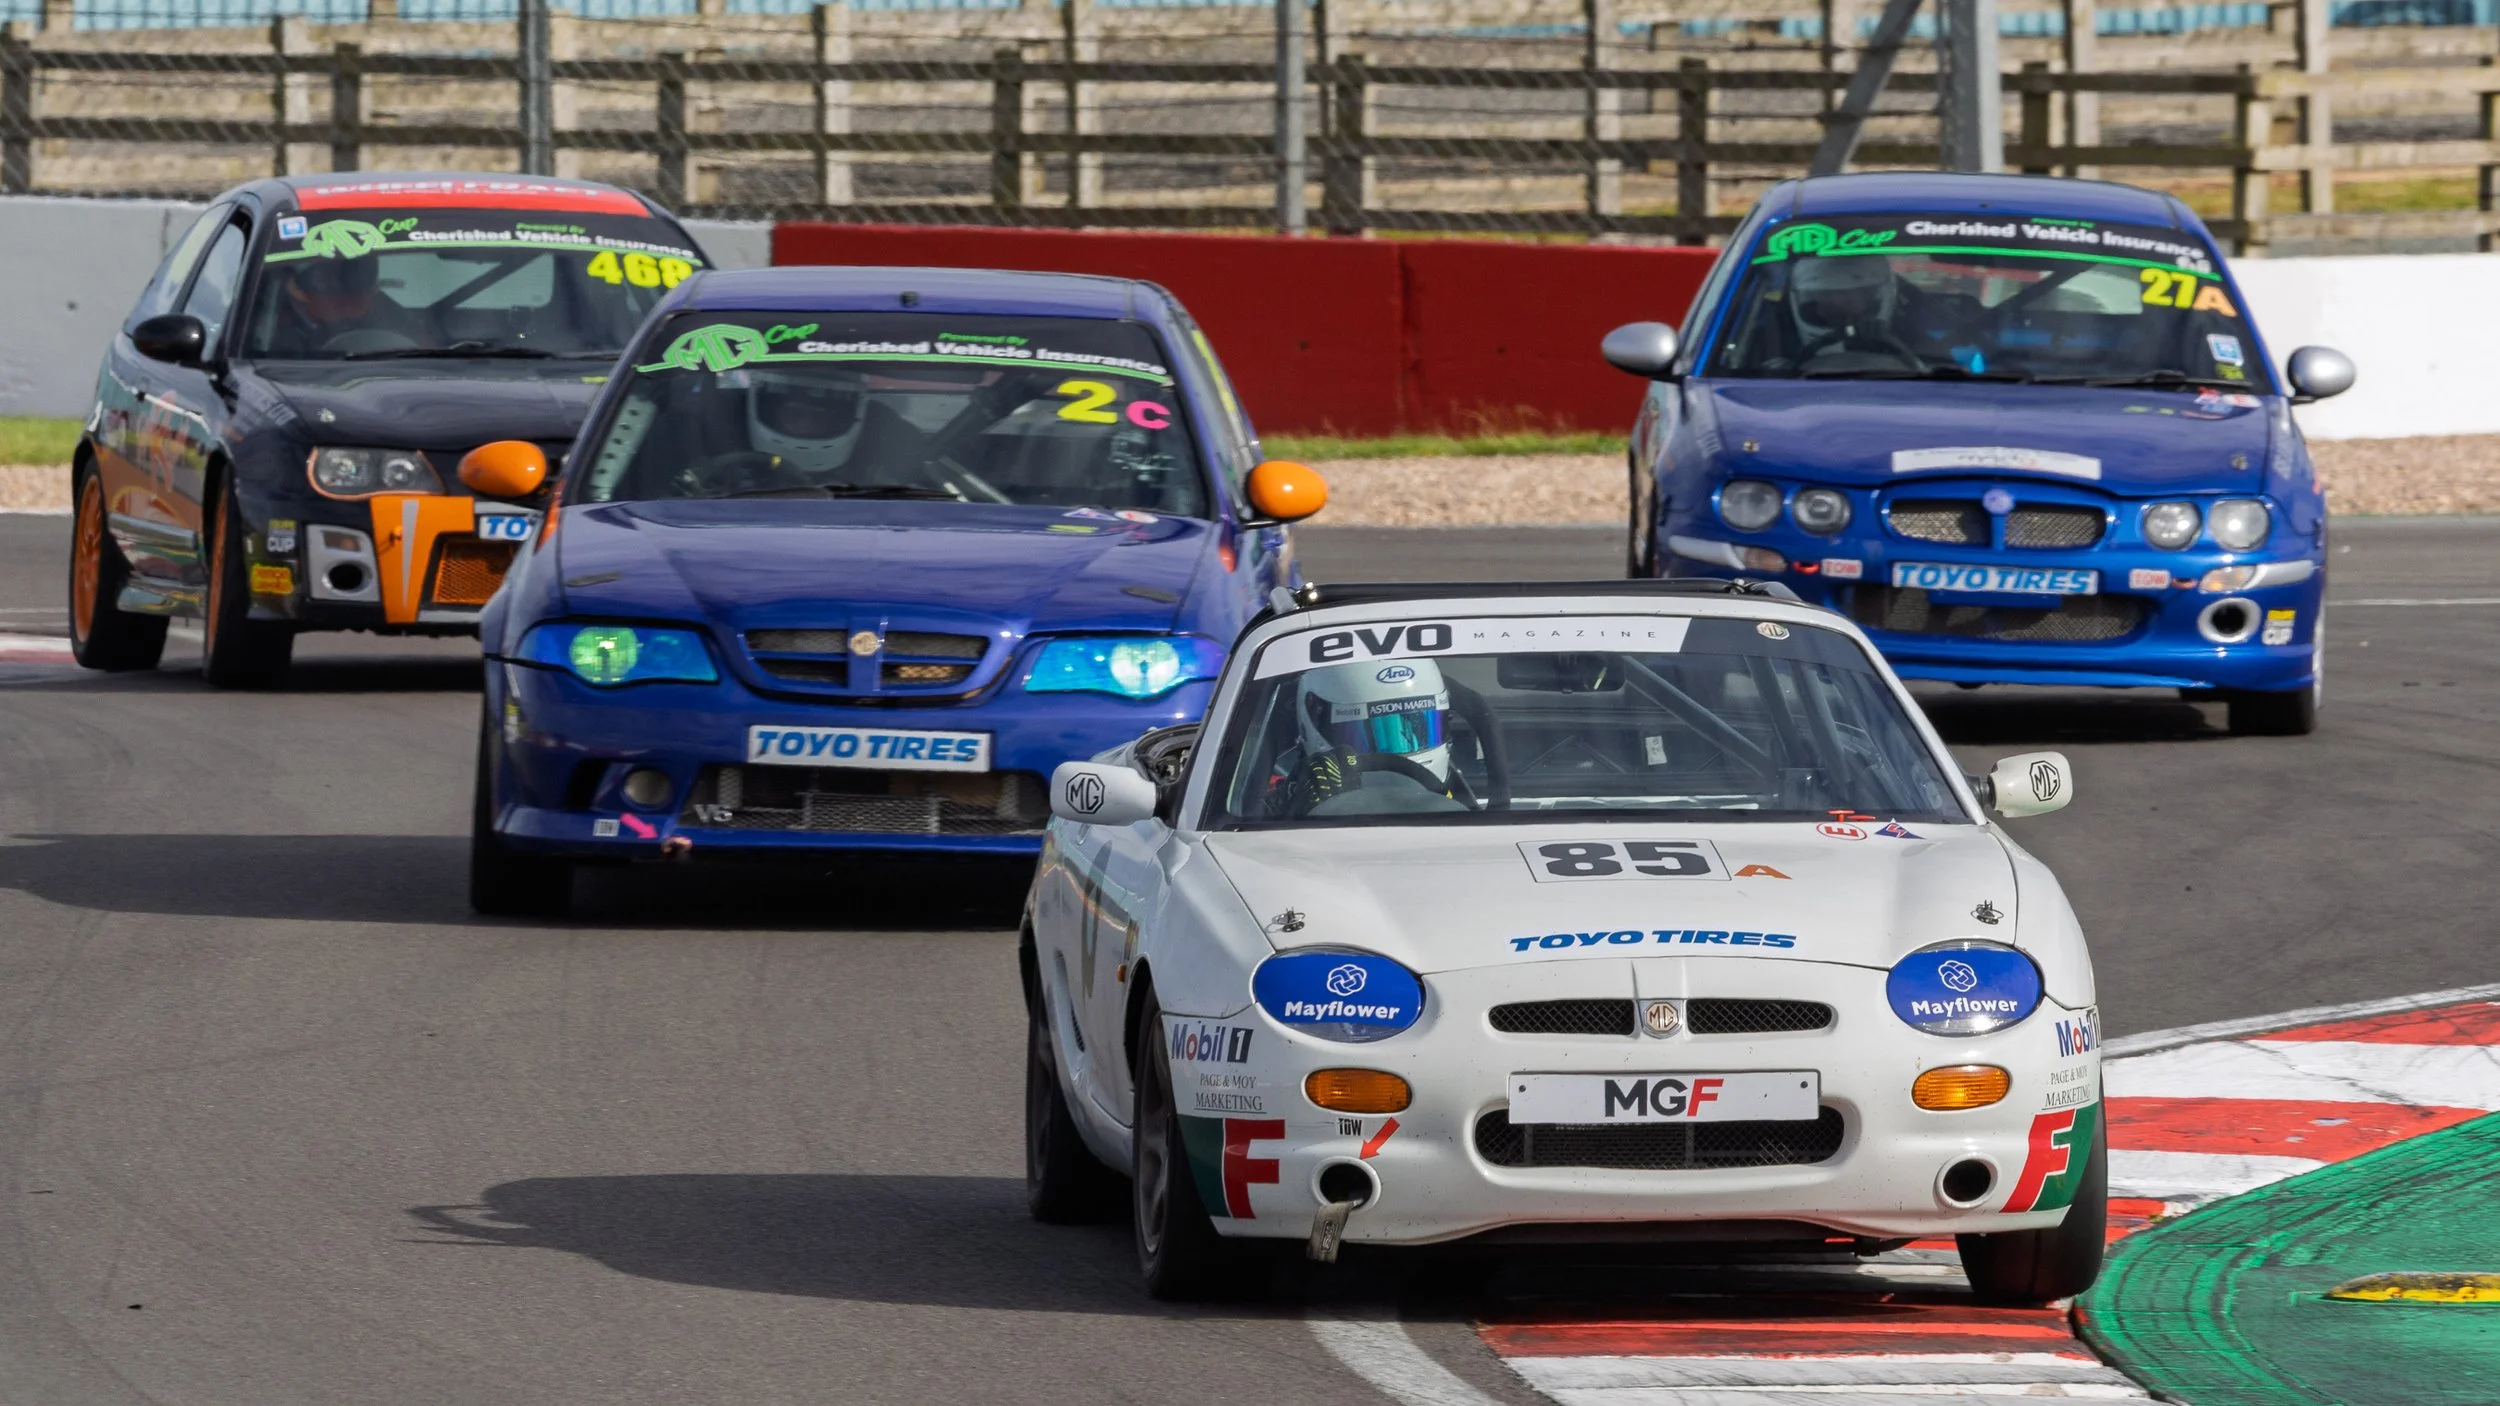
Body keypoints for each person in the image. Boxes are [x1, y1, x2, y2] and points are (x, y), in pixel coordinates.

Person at [1270, 658, 1462, 816]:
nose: (1397, 756)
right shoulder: (1280, 807)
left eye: (1418, 730)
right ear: (1311, 722)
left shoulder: (1477, 807)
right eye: (1362, 736)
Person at [261, 255, 386, 356]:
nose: (352, 300)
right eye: (339, 293)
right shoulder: (268, 332)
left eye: (363, 285)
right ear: (299, 292)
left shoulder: (390, 316)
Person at [1788, 253, 1899, 354]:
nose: (1836, 302)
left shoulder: (1910, 326)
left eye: (1846, 294)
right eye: (1826, 294)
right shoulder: (1779, 331)